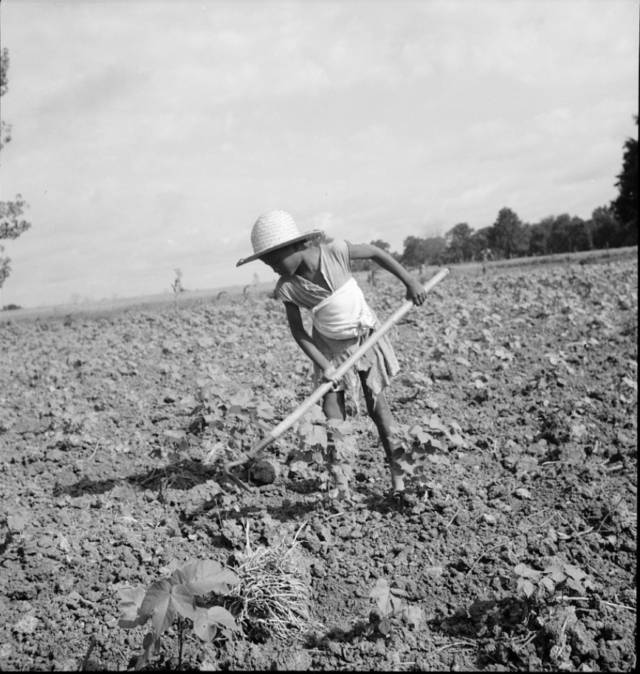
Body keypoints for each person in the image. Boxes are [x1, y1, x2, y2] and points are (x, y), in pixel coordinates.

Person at [236, 210, 427, 501]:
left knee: (379, 411)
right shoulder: (287, 287)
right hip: (328, 352)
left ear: (294, 246)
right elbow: (299, 332)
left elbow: (375, 253)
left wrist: (409, 282)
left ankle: (398, 481)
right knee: (333, 418)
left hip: (366, 340)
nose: (273, 268)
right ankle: (340, 489)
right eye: (267, 264)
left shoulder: (335, 252)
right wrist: (325, 366)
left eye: (274, 261)